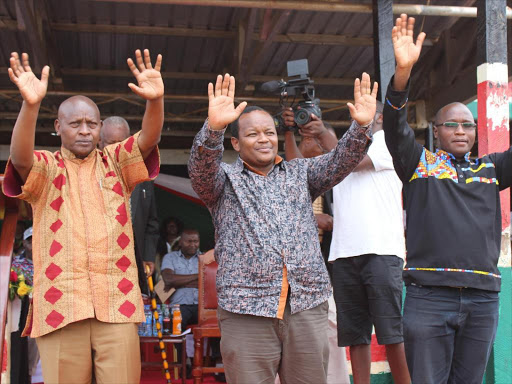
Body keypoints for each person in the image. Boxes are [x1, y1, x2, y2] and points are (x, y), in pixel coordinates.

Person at [188, 72, 376, 384]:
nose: (263, 139)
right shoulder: (223, 182)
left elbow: (341, 161)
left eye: (269, 132)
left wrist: (361, 126)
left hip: (306, 304)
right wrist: (214, 129)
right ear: (235, 142)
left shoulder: (300, 172)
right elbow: (200, 167)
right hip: (246, 309)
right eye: (252, 134)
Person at [2, 49, 163, 383]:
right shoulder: (46, 168)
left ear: (101, 128)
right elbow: (19, 159)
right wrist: (30, 106)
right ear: (58, 127)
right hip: (61, 305)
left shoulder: (117, 164)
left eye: (92, 123)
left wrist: (155, 102)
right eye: (75, 124)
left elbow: (148, 139)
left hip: (116, 303)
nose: (85, 131)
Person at [384, 14, 506, 384]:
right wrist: (402, 73)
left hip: (483, 299)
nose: (461, 130)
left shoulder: (491, 169)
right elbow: (394, 126)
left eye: (468, 124)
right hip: (429, 298)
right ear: (436, 131)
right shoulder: (419, 163)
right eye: (451, 124)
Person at [328, 100, 410, 384]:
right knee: (355, 336)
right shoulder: (342, 150)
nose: (356, 118)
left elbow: (352, 163)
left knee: (391, 334)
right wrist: (294, 133)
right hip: (343, 253)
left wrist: (325, 136)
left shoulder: (389, 141)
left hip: (382, 251)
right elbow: (299, 161)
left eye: (362, 113)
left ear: (378, 117)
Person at [282, 112, 350, 384]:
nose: (308, 145)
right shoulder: (286, 178)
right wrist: (314, 219)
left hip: (331, 274)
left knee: (332, 334)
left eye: (314, 140)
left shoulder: (344, 180)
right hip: (291, 277)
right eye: (303, 139)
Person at [99, 116, 160, 294]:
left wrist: (148, 256)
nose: (116, 149)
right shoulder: (88, 174)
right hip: (99, 265)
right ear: (99, 143)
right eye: (111, 143)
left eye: (122, 143)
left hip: (132, 262)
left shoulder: (142, 176)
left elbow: (151, 221)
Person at [10, 227, 37, 384]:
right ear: (25, 243)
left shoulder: (53, 262)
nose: (34, 244)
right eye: (31, 241)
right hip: (23, 315)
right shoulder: (15, 264)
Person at [161, 229, 201, 330]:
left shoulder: (205, 258)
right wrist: (198, 275)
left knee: (215, 331)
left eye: (195, 241)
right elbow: (169, 279)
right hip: (178, 306)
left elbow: (209, 282)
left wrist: (179, 282)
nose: (193, 245)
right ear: (180, 242)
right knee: (176, 333)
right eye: (189, 241)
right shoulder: (170, 257)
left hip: (201, 306)